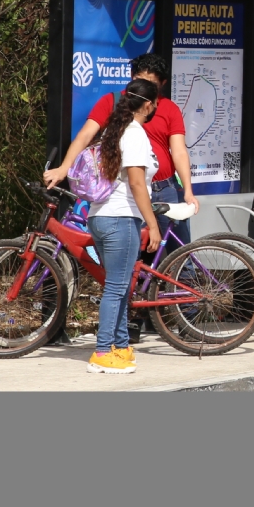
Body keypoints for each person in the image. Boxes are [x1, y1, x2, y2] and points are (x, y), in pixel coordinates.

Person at [45, 52, 197, 243]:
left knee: (180, 251)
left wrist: (188, 190)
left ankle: (185, 274)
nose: (144, 89)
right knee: (133, 257)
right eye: (139, 81)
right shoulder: (112, 101)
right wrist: (63, 169)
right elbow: (84, 136)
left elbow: (180, 151)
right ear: (132, 78)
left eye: (152, 85)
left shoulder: (169, 108)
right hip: (129, 191)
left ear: (163, 84)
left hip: (166, 189)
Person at [84, 79, 162, 374]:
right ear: (147, 105)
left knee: (117, 286)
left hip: (100, 216)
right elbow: (137, 183)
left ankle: (119, 345)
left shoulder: (113, 131)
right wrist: (152, 225)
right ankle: (103, 352)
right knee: (117, 288)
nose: (155, 107)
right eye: (154, 103)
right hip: (121, 217)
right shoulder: (135, 133)